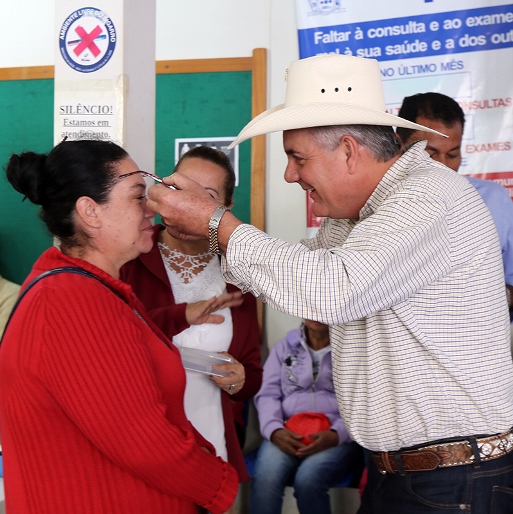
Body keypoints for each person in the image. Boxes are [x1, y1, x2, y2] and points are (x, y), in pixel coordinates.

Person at [145, 54, 513, 513]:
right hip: (401, 473)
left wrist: (216, 222)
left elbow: (328, 289)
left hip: (452, 481)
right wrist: (209, 232)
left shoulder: (429, 195)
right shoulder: (358, 212)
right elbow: (299, 275)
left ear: (348, 150)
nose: (289, 175)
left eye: (297, 158)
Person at [0, 140, 239, 514]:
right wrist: (220, 483)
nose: (154, 209)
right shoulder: (71, 301)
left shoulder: (90, 289)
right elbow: (146, 443)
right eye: (137, 196)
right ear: (90, 211)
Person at [120, 145, 263, 486]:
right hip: (142, 437)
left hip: (212, 435)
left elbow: (252, 374)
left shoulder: (239, 273)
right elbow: (115, 342)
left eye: (207, 196)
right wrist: (181, 314)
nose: (187, 205)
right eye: (180, 189)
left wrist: (240, 379)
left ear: (226, 209)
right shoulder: (131, 254)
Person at [396, 91, 513, 303]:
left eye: (452, 155)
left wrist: (492, 296)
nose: (443, 166)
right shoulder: (375, 205)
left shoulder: (494, 200)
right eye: (430, 154)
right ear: (399, 145)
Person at [250, 319, 363, 514]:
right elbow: (267, 394)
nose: (316, 314)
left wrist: (337, 434)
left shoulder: (353, 348)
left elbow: (363, 402)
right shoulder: (284, 347)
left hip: (337, 437)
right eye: (310, 306)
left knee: (309, 479)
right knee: (265, 478)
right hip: (287, 432)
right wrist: (275, 430)